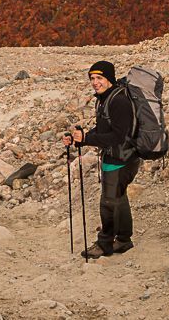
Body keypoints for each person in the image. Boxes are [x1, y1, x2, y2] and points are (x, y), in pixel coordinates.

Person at [63, 60, 140, 259]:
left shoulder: (119, 101)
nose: (95, 82)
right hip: (120, 156)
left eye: (99, 78)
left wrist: (88, 138)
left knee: (108, 202)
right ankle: (123, 240)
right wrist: (81, 139)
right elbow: (103, 131)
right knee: (119, 198)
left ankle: (105, 243)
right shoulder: (105, 98)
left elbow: (118, 137)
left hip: (122, 158)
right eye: (92, 78)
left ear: (110, 78)